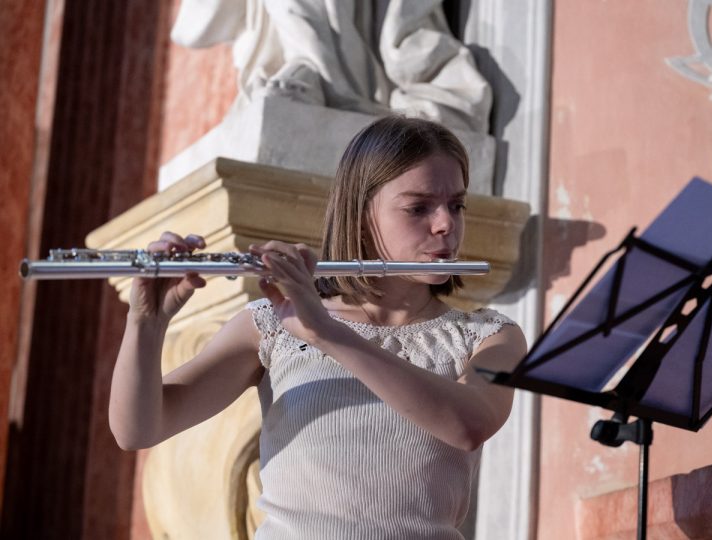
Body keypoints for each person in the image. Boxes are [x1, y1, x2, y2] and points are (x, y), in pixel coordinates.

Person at [108, 116, 526, 538]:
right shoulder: (271, 326)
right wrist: (146, 322)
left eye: (456, 204)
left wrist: (327, 333)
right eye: (418, 207)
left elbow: (468, 425)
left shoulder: (490, 335)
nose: (445, 225)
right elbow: (138, 429)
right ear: (361, 216)